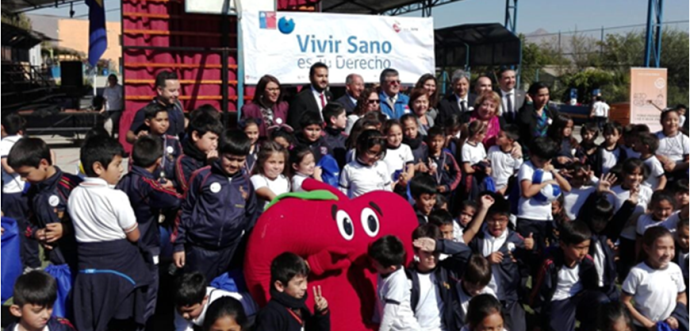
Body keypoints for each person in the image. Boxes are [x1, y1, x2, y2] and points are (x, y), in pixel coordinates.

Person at [68, 135, 152, 331]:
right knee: (120, 322)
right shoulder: (117, 196)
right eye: (116, 164)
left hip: (87, 271)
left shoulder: (74, 194)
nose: (121, 169)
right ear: (98, 168)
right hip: (119, 270)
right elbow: (134, 235)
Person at [173, 130, 258, 281]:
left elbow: (250, 216)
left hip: (230, 251)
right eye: (230, 159)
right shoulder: (202, 176)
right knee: (195, 294)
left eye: (240, 160)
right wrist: (179, 245)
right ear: (219, 153)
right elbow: (185, 210)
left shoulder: (246, 183)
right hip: (199, 250)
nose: (234, 164)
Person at [116, 136, 183, 325]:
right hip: (146, 241)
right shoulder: (147, 184)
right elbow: (174, 199)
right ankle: (144, 323)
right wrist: (175, 188)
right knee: (149, 289)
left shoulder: (124, 181)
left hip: (125, 243)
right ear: (158, 161)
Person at [8, 137, 82, 269]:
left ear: (43, 163)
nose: (23, 179)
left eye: (26, 174)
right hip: (55, 262)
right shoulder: (32, 192)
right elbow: (27, 221)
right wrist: (37, 233)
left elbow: (91, 219)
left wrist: (65, 229)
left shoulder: (71, 186)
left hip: (80, 259)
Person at [467, 196, 532, 331]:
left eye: (501, 220)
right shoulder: (478, 239)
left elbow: (529, 266)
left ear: (508, 219)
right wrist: (486, 261)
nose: (496, 224)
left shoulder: (516, 239)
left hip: (510, 299)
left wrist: (531, 249)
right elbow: (468, 264)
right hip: (485, 298)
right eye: (492, 219)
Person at [531, 220, 609, 331]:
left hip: (580, 297)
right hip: (559, 300)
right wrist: (539, 319)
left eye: (586, 247)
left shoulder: (587, 262)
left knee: (601, 301)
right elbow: (540, 290)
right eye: (578, 248)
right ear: (563, 245)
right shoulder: (550, 263)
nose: (583, 252)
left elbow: (593, 287)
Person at [578, 174, 636, 301]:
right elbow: (585, 214)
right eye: (596, 219)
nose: (599, 224)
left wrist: (630, 204)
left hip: (608, 285)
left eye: (604, 220)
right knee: (601, 302)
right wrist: (597, 194)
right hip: (589, 287)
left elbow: (618, 221)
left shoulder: (606, 236)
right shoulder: (585, 233)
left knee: (618, 305)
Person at [407, 224, 472, 331]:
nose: (432, 257)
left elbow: (466, 253)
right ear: (416, 252)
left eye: (435, 252)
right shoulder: (407, 277)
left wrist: (439, 245)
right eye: (426, 253)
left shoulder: (446, 271)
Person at [622, 227, 688, 330]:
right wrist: (647, 324)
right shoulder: (637, 273)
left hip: (668, 326)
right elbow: (624, 302)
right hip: (642, 327)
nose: (667, 253)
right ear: (647, 248)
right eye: (662, 248)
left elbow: (682, 296)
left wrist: (675, 316)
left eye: (671, 247)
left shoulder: (675, 269)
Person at [516, 137, 571, 258]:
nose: (543, 164)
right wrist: (545, 183)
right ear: (531, 154)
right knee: (527, 253)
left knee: (543, 253)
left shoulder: (548, 169)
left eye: (547, 160)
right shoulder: (527, 167)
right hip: (528, 217)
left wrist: (555, 173)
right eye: (540, 160)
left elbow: (567, 188)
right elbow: (527, 192)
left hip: (546, 218)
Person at [0, 113, 40, 271]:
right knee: (30, 225)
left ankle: (21, 262)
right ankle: (33, 261)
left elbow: (8, 167)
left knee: (16, 228)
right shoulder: (26, 142)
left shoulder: (3, 144)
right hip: (29, 188)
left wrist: (17, 168)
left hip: (12, 191)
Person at [254, 252, 330, 331]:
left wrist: (321, 312)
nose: (305, 287)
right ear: (280, 286)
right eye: (298, 283)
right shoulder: (271, 315)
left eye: (306, 280)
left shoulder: (299, 307)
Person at [368, 235, 419, 331]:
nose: (372, 265)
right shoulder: (382, 273)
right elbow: (379, 299)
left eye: (376, 264)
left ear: (392, 268)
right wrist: (375, 321)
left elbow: (390, 311)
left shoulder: (397, 280)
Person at [175, 272, 257, 331]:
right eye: (180, 311)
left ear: (204, 300)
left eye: (190, 311)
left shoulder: (228, 306)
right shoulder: (184, 304)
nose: (184, 315)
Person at [126, 70, 185, 143]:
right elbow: (129, 135)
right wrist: (137, 138)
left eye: (178, 90)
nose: (177, 94)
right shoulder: (146, 111)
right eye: (172, 91)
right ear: (160, 90)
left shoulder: (177, 105)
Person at [6, 271, 76, 331]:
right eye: (37, 310)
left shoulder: (63, 328)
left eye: (49, 307)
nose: (46, 315)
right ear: (17, 310)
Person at [175, 112, 223, 192]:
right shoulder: (184, 161)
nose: (215, 144)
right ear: (196, 136)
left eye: (217, 140)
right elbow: (188, 188)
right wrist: (209, 168)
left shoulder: (219, 156)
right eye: (211, 139)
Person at [339, 129, 390, 198]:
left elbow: (388, 192)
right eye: (372, 152)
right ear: (360, 147)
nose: (375, 157)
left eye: (379, 154)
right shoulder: (349, 169)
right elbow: (343, 195)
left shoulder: (382, 166)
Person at [241, 74, 289, 139]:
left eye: (277, 89)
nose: (275, 92)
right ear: (262, 91)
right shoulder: (248, 109)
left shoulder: (284, 107)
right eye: (271, 89)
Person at [143, 102, 182, 183]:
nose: (164, 124)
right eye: (159, 120)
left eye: (166, 120)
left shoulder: (174, 142)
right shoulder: (142, 143)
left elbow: (181, 166)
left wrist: (174, 183)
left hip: (170, 185)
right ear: (147, 122)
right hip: (148, 185)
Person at [287, 62, 332, 129]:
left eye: (326, 76)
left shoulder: (329, 95)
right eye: (320, 76)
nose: (324, 79)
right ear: (311, 77)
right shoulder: (301, 98)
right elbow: (295, 125)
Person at [517, 82, 559, 149]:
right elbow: (525, 121)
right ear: (532, 96)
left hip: (546, 149)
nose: (545, 98)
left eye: (547, 95)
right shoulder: (526, 110)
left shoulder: (551, 111)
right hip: (530, 149)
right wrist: (529, 104)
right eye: (541, 95)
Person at [250, 141, 290, 208]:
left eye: (281, 162)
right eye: (272, 162)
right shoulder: (256, 179)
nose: (276, 167)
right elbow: (268, 194)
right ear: (262, 162)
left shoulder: (284, 180)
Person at [457, 255, 495, 323]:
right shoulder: (453, 292)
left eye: (481, 288)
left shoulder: (489, 294)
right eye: (472, 287)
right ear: (464, 278)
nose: (476, 292)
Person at [381, 120, 415, 196]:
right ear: (385, 135)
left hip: (403, 188)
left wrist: (404, 179)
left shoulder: (405, 148)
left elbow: (411, 168)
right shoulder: (381, 150)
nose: (397, 138)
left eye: (399, 134)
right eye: (392, 135)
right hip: (387, 189)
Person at [426, 126, 461, 196]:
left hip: (447, 193)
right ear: (429, 141)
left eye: (439, 141)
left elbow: (457, 173)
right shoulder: (426, 156)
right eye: (434, 141)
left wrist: (449, 187)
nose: (437, 144)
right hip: (431, 193)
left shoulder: (448, 156)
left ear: (444, 140)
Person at [487, 125, 522, 196]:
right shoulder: (492, 149)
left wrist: (505, 188)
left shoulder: (516, 155)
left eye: (500, 136)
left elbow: (516, 174)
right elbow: (488, 165)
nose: (496, 137)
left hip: (506, 191)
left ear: (510, 140)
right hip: (491, 187)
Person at [655, 108, 690, 176]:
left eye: (675, 120)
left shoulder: (685, 139)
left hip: (679, 173)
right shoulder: (655, 137)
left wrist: (676, 167)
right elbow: (646, 154)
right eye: (668, 120)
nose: (672, 123)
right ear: (661, 122)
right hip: (658, 173)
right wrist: (660, 158)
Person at [321, 103, 349, 168]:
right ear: (333, 119)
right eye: (343, 116)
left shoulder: (346, 138)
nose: (346, 119)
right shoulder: (321, 138)